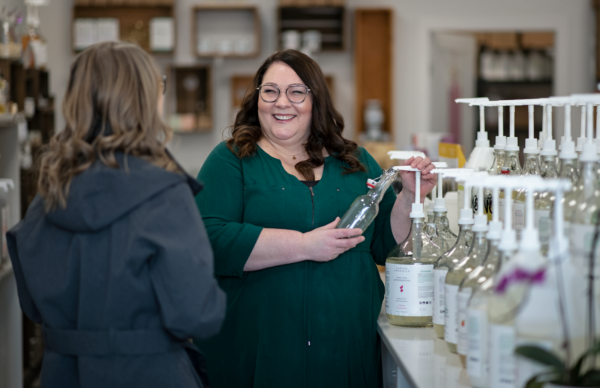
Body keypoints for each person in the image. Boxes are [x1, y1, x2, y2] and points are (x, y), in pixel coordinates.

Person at [195, 49, 435, 387]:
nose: (282, 103)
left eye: (296, 92)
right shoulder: (232, 158)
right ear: (257, 99)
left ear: (315, 100)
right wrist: (305, 245)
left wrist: (410, 196)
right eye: (270, 91)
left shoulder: (355, 160)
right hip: (257, 352)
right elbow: (208, 239)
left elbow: (386, 246)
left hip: (345, 352)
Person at [6, 41, 226, 388]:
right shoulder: (164, 194)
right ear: (144, 100)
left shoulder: (48, 194)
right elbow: (197, 314)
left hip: (63, 375)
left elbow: (32, 305)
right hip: (150, 374)